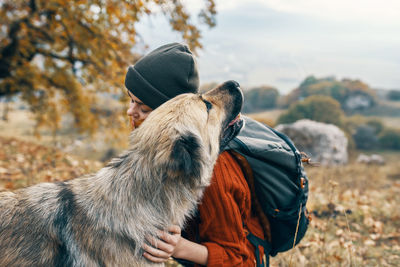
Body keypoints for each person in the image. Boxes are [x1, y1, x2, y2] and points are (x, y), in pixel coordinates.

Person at [124, 42, 266, 266]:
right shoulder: (161, 147)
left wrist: (179, 247)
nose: (131, 112)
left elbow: (238, 259)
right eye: (131, 100)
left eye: (143, 108)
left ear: (170, 116)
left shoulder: (214, 172)